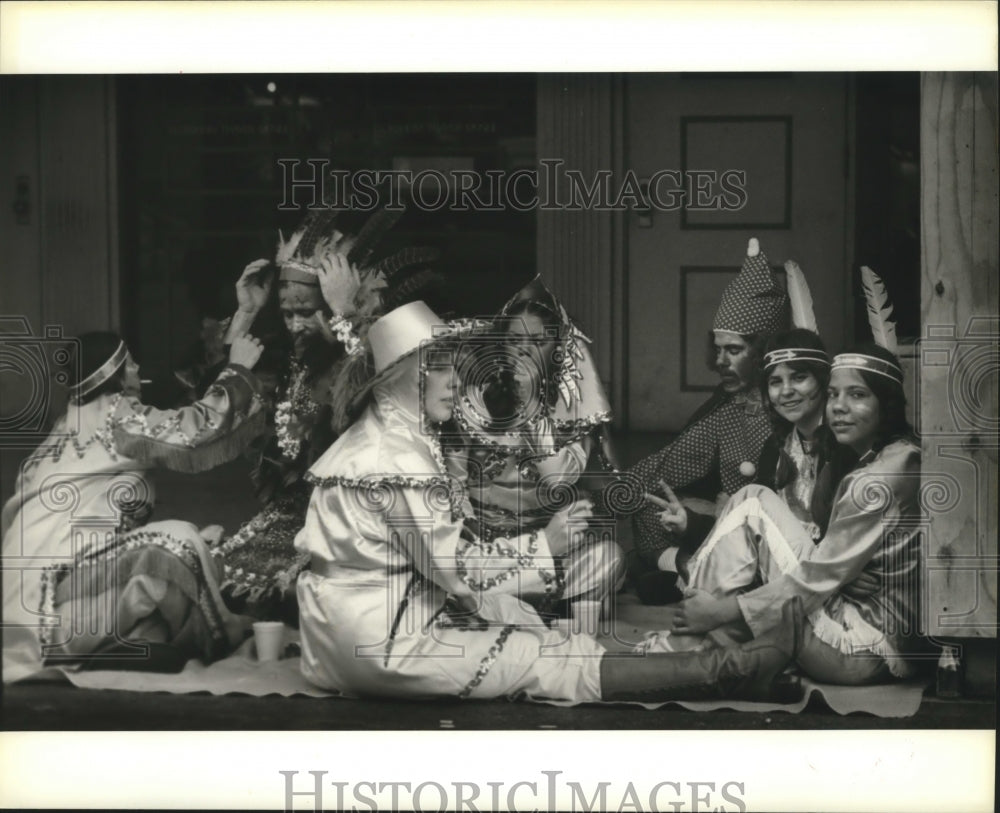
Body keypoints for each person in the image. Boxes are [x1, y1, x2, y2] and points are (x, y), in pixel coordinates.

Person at [294, 301, 806, 704]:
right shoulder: (401, 457)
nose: (457, 381)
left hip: (353, 627)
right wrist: (543, 546)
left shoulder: (385, 439)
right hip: (385, 641)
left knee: (542, 619)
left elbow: (604, 488)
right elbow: (457, 569)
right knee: (546, 662)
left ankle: (690, 659)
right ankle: (727, 673)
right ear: (405, 377)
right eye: (442, 369)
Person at [211, 206, 439, 623]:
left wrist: (346, 311)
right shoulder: (288, 360)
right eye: (286, 313)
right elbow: (222, 406)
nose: (296, 325)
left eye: (307, 312)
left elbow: (374, 383)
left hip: (351, 522)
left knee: (290, 599)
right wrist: (245, 314)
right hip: (288, 515)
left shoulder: (359, 357)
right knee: (220, 583)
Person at [2, 331, 266, 682]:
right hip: (51, 622)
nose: (138, 367)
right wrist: (239, 369)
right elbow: (195, 431)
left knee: (185, 559)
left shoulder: (61, 431)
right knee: (180, 542)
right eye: (130, 362)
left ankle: (127, 645)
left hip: (36, 616)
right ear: (113, 374)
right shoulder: (114, 416)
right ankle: (224, 635)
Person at [664, 343, 924, 684]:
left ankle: (688, 635)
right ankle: (698, 633)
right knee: (749, 507)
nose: (840, 407)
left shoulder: (872, 478)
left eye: (858, 395)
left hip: (858, 644)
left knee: (752, 501)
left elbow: (817, 577)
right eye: (834, 395)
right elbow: (832, 561)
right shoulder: (900, 455)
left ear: (885, 405)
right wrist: (842, 570)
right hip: (881, 633)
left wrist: (720, 611)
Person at [447, 276, 625, 615]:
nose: (524, 350)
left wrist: (529, 404)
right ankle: (514, 602)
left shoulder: (572, 409)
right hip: (484, 551)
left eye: (538, 342)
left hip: (544, 547)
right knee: (444, 560)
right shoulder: (472, 401)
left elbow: (557, 479)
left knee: (608, 559)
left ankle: (508, 603)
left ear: (558, 349)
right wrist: (471, 538)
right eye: (515, 340)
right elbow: (453, 480)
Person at [629, 238, 790, 603]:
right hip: (715, 524)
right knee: (651, 506)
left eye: (733, 350)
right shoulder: (728, 409)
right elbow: (665, 466)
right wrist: (600, 499)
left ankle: (683, 575)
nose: (720, 362)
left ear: (765, 351)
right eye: (717, 350)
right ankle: (685, 567)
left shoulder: (794, 407)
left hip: (775, 532)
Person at [645, 328, 856, 578]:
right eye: (775, 382)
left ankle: (695, 573)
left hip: (825, 571)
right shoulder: (776, 448)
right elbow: (753, 529)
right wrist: (689, 523)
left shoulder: (846, 444)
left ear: (822, 382)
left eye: (799, 378)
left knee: (751, 498)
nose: (786, 391)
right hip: (779, 563)